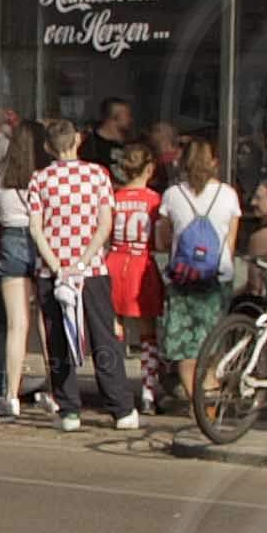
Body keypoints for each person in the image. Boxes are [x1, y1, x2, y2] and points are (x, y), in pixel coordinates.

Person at [29, 119, 139, 431]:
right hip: (91, 269)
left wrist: (58, 266)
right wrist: (82, 262)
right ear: (77, 140)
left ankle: (69, 410)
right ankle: (120, 408)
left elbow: (36, 229)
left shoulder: (39, 179)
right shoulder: (97, 175)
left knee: (57, 337)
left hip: (52, 271)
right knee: (104, 335)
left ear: (48, 147)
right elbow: (105, 224)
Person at [160, 135, 243, 416]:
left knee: (185, 348)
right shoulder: (229, 195)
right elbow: (230, 241)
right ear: (214, 163)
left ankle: (202, 410)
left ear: (182, 163)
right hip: (217, 279)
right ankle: (212, 402)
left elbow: (162, 239)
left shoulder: (172, 196)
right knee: (211, 344)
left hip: (183, 279)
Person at [0, 117, 47, 419]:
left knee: (17, 324)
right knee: (46, 322)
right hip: (43, 241)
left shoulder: (1, 176)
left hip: (11, 240)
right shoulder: (45, 176)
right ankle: (54, 391)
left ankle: (10, 394)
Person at [105, 144, 163, 410]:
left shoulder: (114, 198)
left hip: (115, 261)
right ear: (149, 169)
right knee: (147, 333)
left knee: (114, 330)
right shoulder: (154, 201)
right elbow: (161, 239)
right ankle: (148, 390)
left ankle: (116, 388)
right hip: (142, 264)